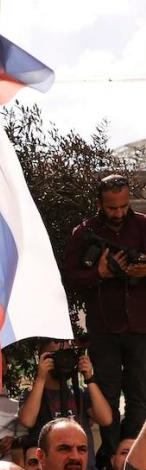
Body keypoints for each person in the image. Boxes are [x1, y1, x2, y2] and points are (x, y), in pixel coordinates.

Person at [61, 174, 146, 444]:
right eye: (112, 208)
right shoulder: (83, 232)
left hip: (142, 327)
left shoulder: (144, 225)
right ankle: (110, 458)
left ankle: (130, 457)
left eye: (123, 206)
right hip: (103, 328)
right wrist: (98, 273)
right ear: (99, 203)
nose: (119, 212)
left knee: (140, 395)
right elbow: (68, 278)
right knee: (105, 393)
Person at [18, 340, 113, 454]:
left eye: (67, 353)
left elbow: (106, 419)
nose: (63, 358)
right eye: (55, 354)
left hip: (84, 469)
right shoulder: (33, 394)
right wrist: (41, 378)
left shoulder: (80, 392)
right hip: (50, 467)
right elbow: (27, 421)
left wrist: (89, 378)